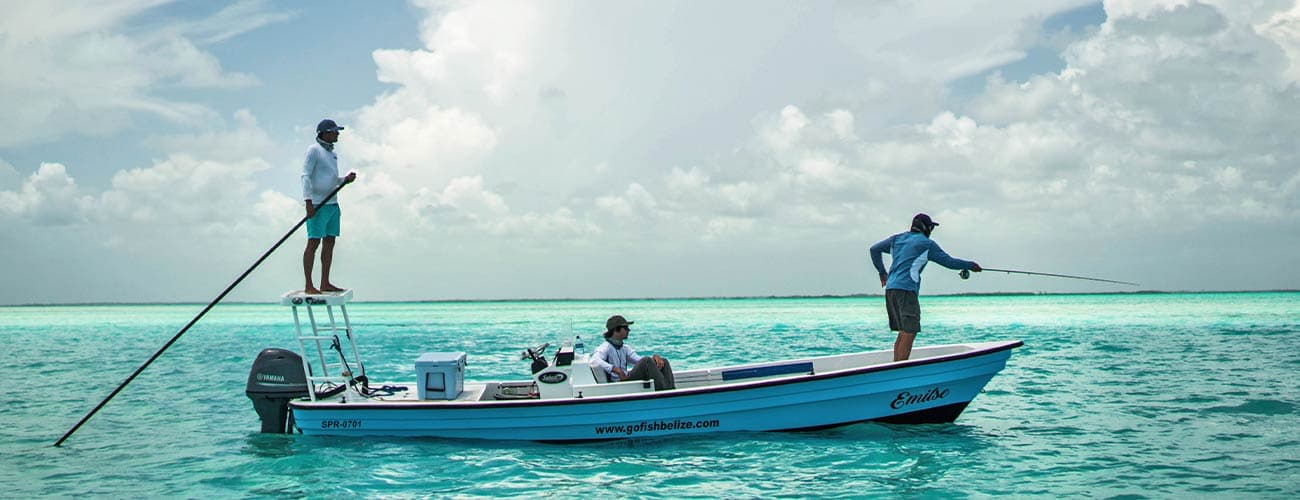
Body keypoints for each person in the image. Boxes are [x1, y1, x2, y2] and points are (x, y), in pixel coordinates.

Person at [870, 213, 981, 362]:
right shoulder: (927, 244)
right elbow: (949, 262)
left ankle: (896, 365)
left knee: (904, 331)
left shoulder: (897, 239)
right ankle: (900, 370)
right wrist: (970, 265)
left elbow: (874, 249)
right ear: (926, 228)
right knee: (909, 332)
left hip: (891, 289)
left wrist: (882, 272)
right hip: (906, 290)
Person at [302, 118, 357, 295]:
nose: (337, 134)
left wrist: (344, 180)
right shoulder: (314, 150)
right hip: (318, 204)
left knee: (330, 241)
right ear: (325, 133)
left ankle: (325, 282)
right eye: (334, 131)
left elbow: (332, 180)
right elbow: (305, 176)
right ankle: (309, 284)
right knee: (313, 242)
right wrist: (308, 202)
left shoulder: (332, 154)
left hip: (333, 204)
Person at [590, 315, 676, 390]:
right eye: (626, 328)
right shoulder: (605, 347)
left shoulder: (625, 348)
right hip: (618, 382)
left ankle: (671, 389)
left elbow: (639, 361)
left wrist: (655, 358)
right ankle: (664, 392)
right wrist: (615, 369)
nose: (629, 330)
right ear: (616, 330)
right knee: (646, 361)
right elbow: (594, 360)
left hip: (627, 377)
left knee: (663, 361)